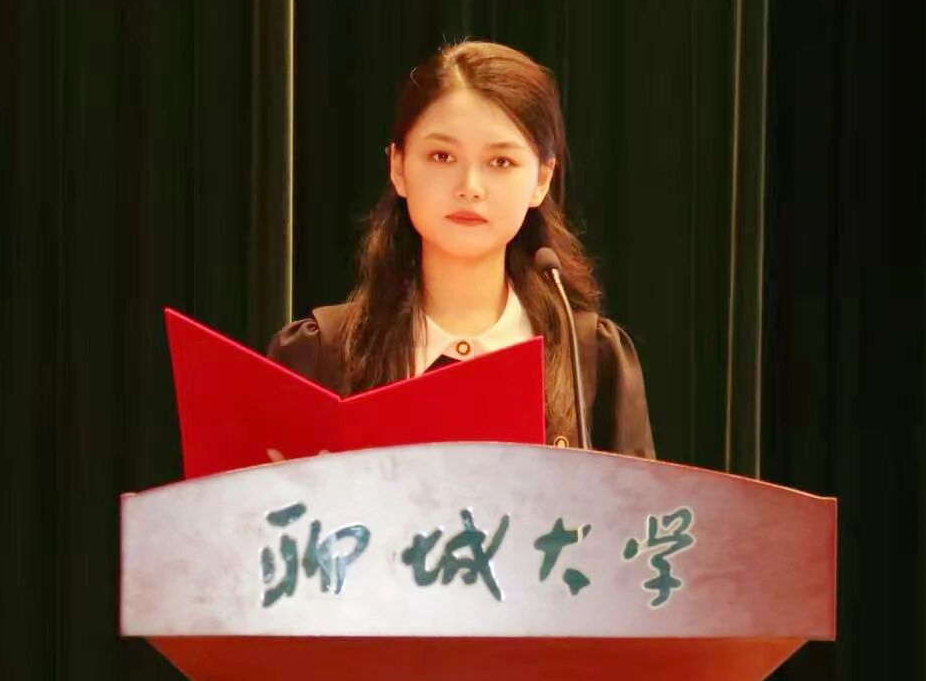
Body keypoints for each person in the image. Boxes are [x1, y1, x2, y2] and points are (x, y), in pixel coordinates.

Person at [267, 40, 655, 458]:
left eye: (501, 162)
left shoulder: (591, 361)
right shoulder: (320, 356)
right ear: (398, 167)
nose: (470, 187)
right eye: (441, 156)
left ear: (541, 180)